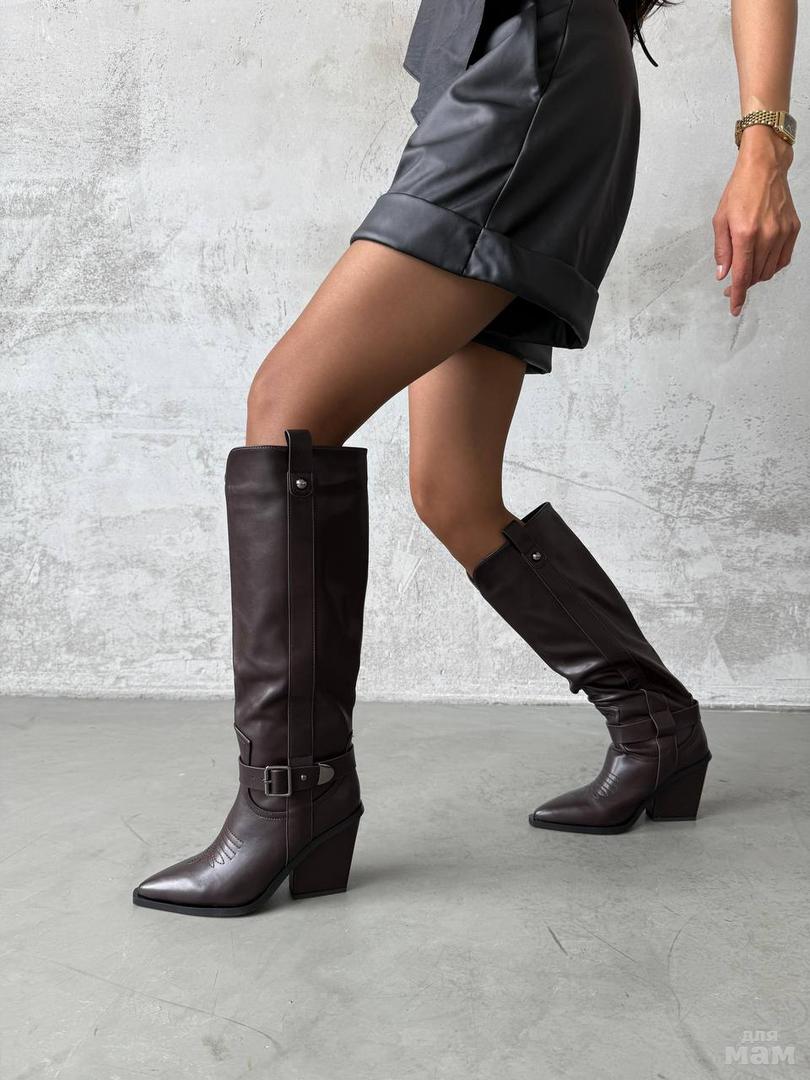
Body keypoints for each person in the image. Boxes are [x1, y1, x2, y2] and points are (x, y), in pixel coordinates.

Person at [132, 0, 800, 915]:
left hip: (532, 72)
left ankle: (291, 797)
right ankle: (658, 729)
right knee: (452, 488)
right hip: (489, 80)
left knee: (289, 412)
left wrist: (764, 146)